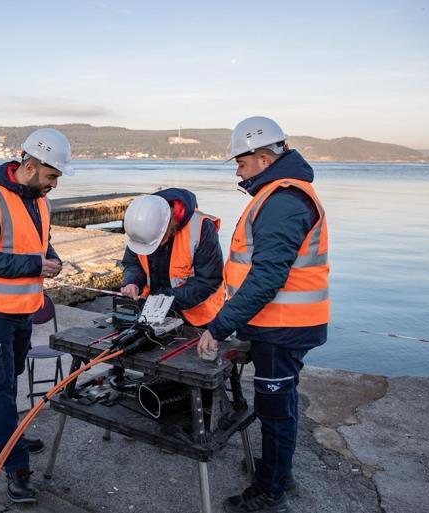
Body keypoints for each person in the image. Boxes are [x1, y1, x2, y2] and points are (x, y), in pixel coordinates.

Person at [198, 116, 329, 513]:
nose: (238, 171)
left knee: (274, 409)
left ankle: (269, 490)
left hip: (283, 326)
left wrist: (219, 326)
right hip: (282, 323)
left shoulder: (283, 200)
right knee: (282, 401)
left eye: (241, 162)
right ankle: (278, 469)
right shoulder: (279, 195)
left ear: (263, 159)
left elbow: (267, 277)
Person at [0, 127, 73, 504]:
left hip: (21, 312)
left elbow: (39, 242)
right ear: (29, 167)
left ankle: (13, 438)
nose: (54, 184)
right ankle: (16, 468)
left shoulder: (39, 200)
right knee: (0, 387)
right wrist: (34, 265)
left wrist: (51, 258)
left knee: (11, 381)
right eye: (51, 175)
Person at [120, 188, 224, 327]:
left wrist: (165, 298)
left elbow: (208, 280)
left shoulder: (201, 228)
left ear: (167, 227)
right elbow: (132, 263)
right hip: (152, 310)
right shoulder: (141, 226)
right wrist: (131, 282)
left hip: (197, 317)